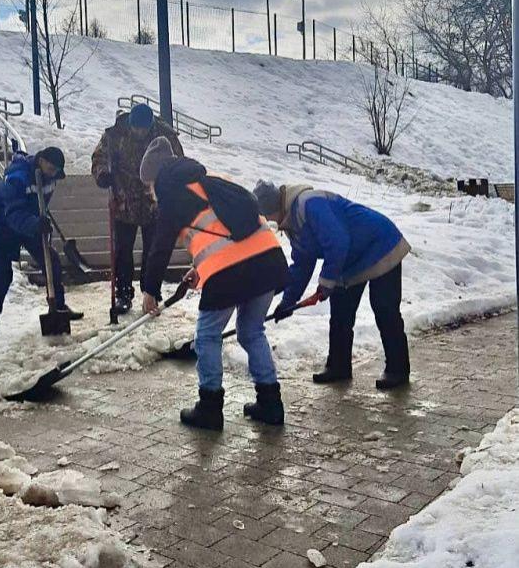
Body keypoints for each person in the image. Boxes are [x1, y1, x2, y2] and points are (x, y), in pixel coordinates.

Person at [139, 138, 289, 431]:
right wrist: (200, 267)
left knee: (207, 337)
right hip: (269, 260)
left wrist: (149, 289)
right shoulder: (210, 180)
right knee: (251, 331)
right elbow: (224, 229)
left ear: (156, 177)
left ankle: (209, 408)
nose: (150, 192)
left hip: (233, 271)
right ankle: (271, 403)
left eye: (148, 185)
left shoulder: (171, 191)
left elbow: (160, 246)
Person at [253, 181, 411, 390]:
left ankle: (397, 370)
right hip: (350, 260)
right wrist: (287, 302)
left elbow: (338, 241)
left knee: (384, 309)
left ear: (275, 207)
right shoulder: (292, 222)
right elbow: (302, 263)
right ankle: (339, 367)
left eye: (268, 216)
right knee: (340, 313)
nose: (270, 222)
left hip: (381, 244)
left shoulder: (310, 204)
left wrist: (326, 282)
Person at [91, 103, 183, 314]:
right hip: (124, 199)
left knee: (154, 249)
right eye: (136, 128)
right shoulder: (115, 134)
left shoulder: (164, 134)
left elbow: (178, 159)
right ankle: (123, 293)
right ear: (130, 124)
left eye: (144, 129)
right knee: (123, 249)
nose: (140, 133)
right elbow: (99, 157)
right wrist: (103, 174)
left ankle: (151, 291)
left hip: (154, 200)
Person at [0, 146, 83, 337]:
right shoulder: (17, 177)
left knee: (51, 261)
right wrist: (36, 224)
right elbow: (13, 212)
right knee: (3, 274)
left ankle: (58, 308)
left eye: (56, 171)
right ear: (41, 161)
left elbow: (39, 202)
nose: (53, 174)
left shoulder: (51, 177)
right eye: (51, 169)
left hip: (29, 222)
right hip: (1, 224)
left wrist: (40, 221)